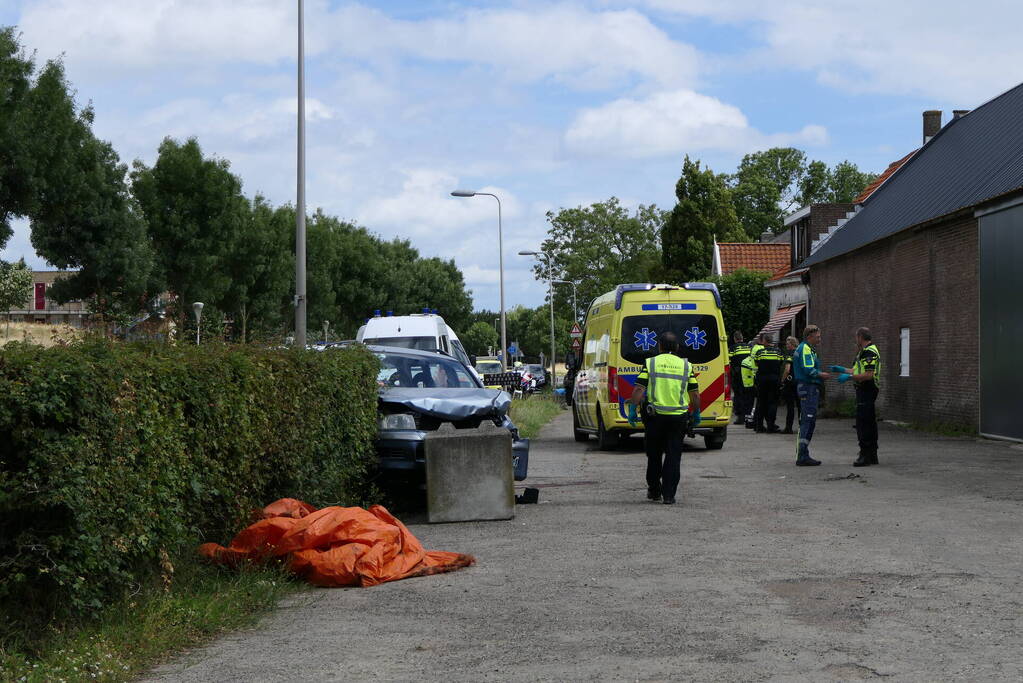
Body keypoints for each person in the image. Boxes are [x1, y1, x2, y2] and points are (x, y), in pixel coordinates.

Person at [627, 331, 701, 505]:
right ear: (676, 347)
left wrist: (632, 409)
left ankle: (654, 491)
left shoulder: (651, 363)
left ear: (659, 346)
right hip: (678, 418)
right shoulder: (686, 366)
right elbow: (695, 394)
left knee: (654, 455)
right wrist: (696, 412)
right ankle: (669, 495)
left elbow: (639, 389)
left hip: (655, 417)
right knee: (673, 456)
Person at [830, 327, 882, 467]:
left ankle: (864, 455)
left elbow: (868, 375)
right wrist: (842, 369)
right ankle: (872, 454)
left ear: (860, 337)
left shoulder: (869, 352)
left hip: (867, 389)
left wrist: (849, 377)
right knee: (869, 422)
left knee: (863, 423)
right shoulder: (865, 352)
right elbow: (858, 370)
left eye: (856, 337)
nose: (856, 340)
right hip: (867, 389)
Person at [792, 325, 833, 466]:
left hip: (809, 388)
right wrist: (822, 375)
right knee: (807, 420)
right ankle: (802, 455)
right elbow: (808, 369)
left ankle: (803, 453)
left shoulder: (809, 350)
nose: (820, 339)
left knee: (809, 420)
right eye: (818, 337)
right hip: (808, 387)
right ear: (809, 336)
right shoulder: (805, 349)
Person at [752, 335, 785, 433]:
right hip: (774, 380)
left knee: (761, 402)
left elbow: (756, 363)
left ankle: (759, 426)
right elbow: (781, 363)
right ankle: (771, 426)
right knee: (772, 403)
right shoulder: (778, 352)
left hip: (762, 380)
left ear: (765, 342)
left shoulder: (759, 353)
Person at [728, 331, 752, 426]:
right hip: (748, 375)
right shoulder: (749, 347)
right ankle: (748, 416)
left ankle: (740, 416)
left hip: (737, 375)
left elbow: (728, 363)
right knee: (747, 395)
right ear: (742, 338)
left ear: (735, 339)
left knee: (738, 395)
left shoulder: (733, 348)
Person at [781, 335, 800, 434]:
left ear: (792, 344)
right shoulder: (800, 353)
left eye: (788, 344)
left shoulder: (790, 354)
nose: (786, 346)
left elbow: (787, 370)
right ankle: (802, 427)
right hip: (800, 382)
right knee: (800, 406)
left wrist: (782, 380)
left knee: (790, 406)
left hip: (790, 382)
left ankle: (788, 428)